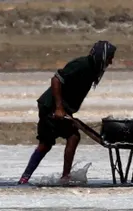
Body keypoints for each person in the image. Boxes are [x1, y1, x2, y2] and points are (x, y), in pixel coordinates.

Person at [18, 40, 116, 185]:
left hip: (61, 108)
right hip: (50, 106)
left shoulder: (93, 69)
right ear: (102, 56)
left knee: (55, 141)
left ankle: (31, 178)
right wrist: (59, 108)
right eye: (109, 58)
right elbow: (56, 80)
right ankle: (61, 177)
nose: (110, 62)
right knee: (65, 138)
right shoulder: (81, 65)